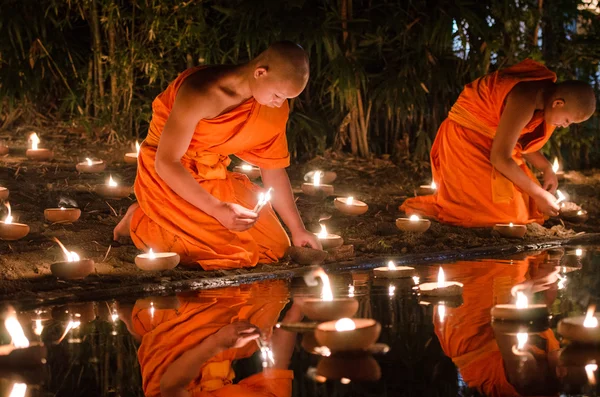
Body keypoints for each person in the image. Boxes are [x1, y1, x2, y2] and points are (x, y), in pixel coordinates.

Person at [112, 41, 321, 270]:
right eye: (278, 95)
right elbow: (166, 162)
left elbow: (273, 169)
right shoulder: (201, 91)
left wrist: (298, 229)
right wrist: (217, 209)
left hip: (213, 176)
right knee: (232, 255)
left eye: (286, 98)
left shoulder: (271, 107)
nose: (280, 103)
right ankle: (141, 219)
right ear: (260, 72)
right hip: (168, 177)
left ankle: (173, 218)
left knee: (276, 247)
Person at [400, 59, 596, 227]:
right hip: (466, 140)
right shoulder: (524, 98)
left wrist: (546, 168)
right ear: (558, 103)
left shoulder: (542, 100)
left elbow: (515, 141)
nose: (564, 126)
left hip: (493, 143)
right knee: (503, 216)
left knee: (528, 208)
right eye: (567, 121)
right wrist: (538, 194)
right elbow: (500, 157)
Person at [128, 281, 300, 397]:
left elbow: (170, 385)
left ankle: (138, 318)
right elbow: (278, 364)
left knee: (214, 301)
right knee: (274, 292)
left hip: (174, 363)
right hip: (220, 355)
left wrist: (217, 342)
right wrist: (299, 307)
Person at [433, 253, 562, 396]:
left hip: (471, 330)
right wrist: (550, 277)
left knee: (473, 259)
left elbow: (504, 322)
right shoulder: (554, 361)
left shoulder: (527, 379)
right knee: (516, 255)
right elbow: (539, 312)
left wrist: (530, 286)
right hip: (506, 302)